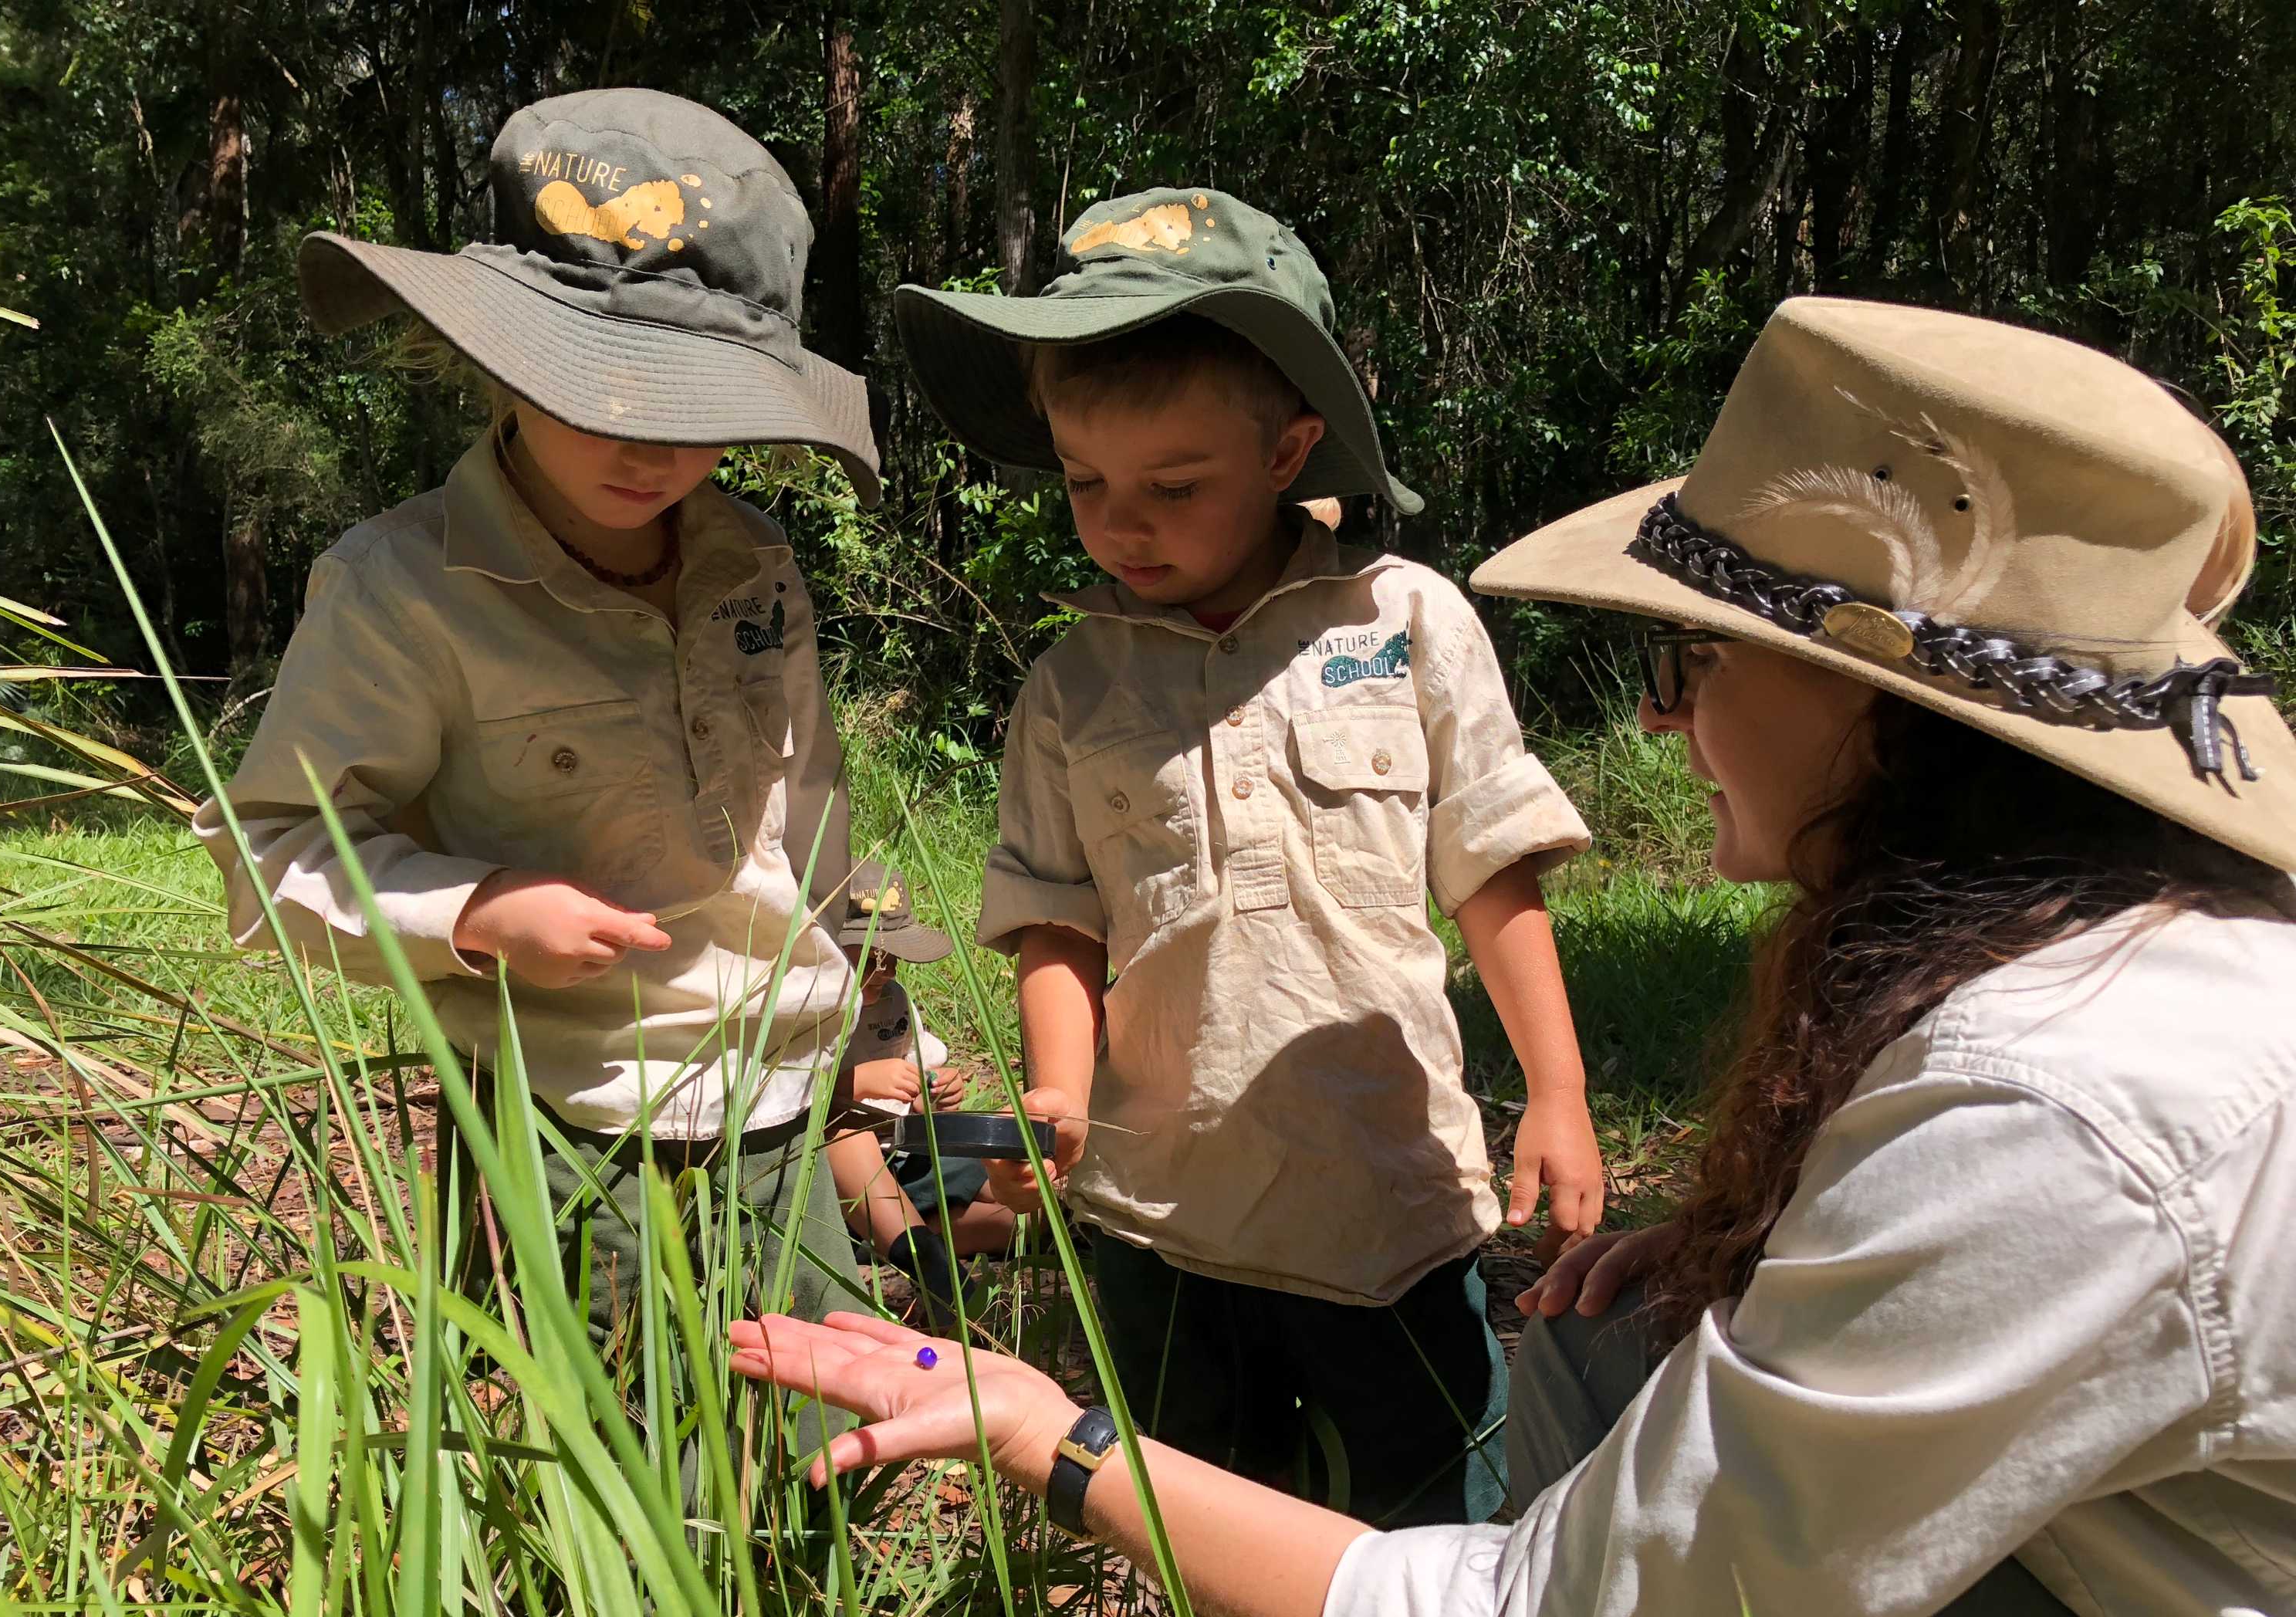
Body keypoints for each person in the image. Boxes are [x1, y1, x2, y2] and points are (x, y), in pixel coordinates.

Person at [730, 296, 2296, 1617]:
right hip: (1176, 1200)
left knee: (1452, 1468)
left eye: (1694, 657)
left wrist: (1042, 1433)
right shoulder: (2112, 966)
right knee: (1607, 1337)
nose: (1663, 716)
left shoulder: (2053, 1107)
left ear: (1892, 722)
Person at [894, 186, 1603, 1542]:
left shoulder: (1403, 623)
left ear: (1288, 452)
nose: (1120, 524)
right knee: (1194, 1518)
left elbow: (1494, 870)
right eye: (1088, 484)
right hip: (1167, 1214)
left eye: (1174, 487)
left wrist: (1558, 1094)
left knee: (1433, 1521)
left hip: (1387, 1209)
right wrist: (1057, 1090)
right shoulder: (1072, 684)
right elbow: (1060, 921)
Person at [195, 89, 883, 1352]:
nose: (646, 442)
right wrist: (473, 912)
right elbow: (272, 854)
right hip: (566, 1111)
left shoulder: (754, 565)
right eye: (599, 384)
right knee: (626, 1480)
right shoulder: (403, 588)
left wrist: (869, 1043)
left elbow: (809, 818)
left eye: (695, 405)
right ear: (495, 361)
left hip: (777, 1097)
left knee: (815, 1468)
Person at [823, 858, 1014, 1319]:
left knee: (1008, 1216)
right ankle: (927, 1265)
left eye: (892, 957)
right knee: (844, 1131)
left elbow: (918, 1067)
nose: (882, 968)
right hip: (840, 1170)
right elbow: (789, 1093)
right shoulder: (813, 1005)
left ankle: (895, 1236)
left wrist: (938, 1089)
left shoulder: (894, 1002)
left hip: (905, 1152)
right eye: (866, 955)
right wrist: (856, 1082)